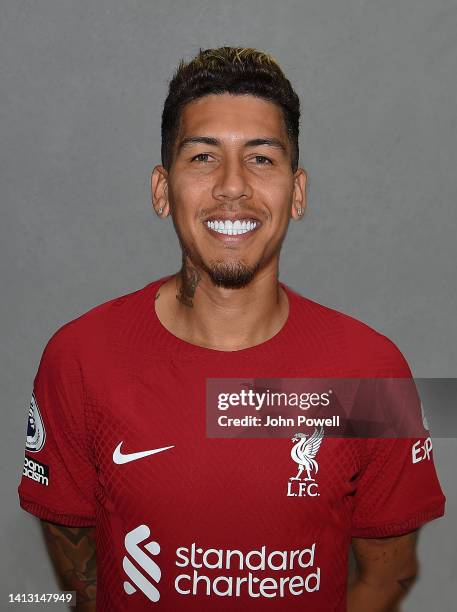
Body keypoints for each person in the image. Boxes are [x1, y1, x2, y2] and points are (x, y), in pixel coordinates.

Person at [18, 46, 445, 611]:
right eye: (202, 157)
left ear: (296, 193)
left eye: (262, 158)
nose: (232, 186)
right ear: (161, 189)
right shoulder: (80, 359)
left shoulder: (369, 372)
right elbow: (77, 562)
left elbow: (388, 574)